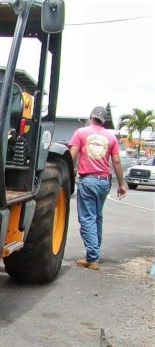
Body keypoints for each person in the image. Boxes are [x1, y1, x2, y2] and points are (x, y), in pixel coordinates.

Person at [68, 106, 128, 270]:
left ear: (90, 117)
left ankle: (92, 258)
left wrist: (66, 177)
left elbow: (71, 156)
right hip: (104, 182)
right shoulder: (111, 137)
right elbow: (116, 162)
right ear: (104, 121)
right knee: (97, 217)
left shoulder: (81, 133)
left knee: (87, 218)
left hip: (88, 181)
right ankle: (94, 253)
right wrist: (122, 184)